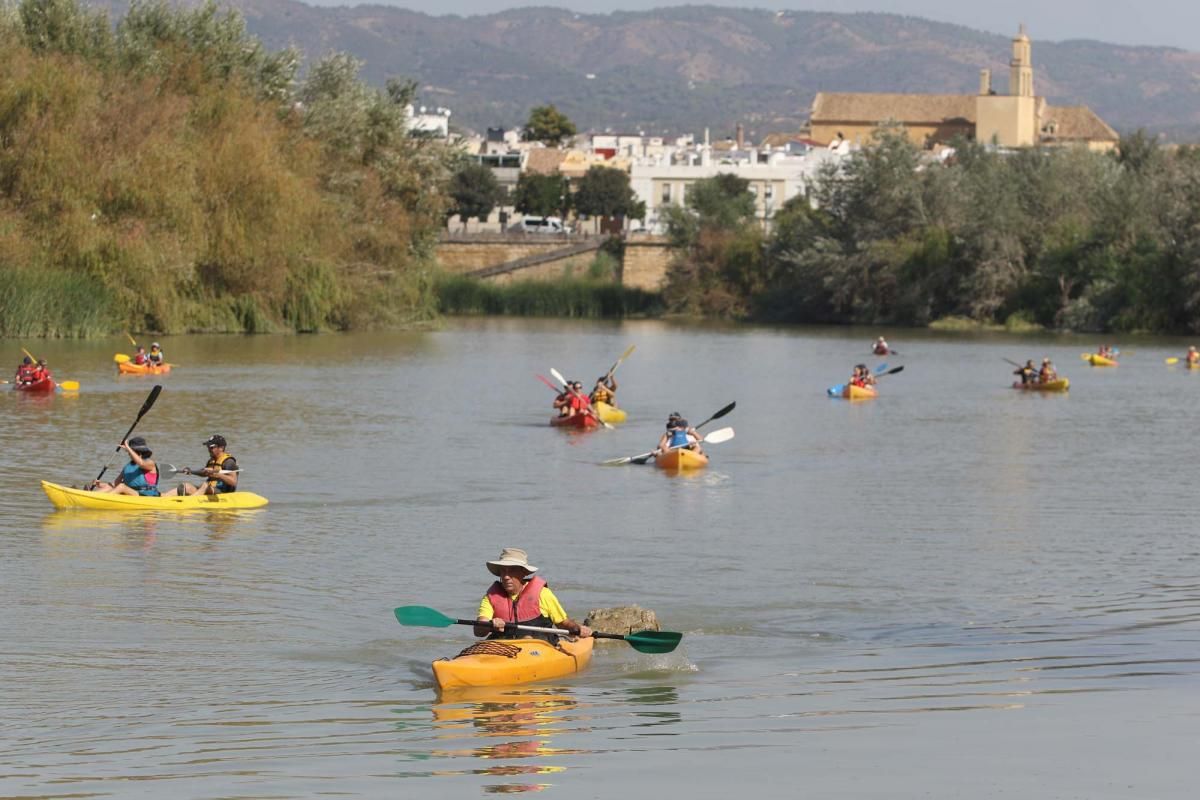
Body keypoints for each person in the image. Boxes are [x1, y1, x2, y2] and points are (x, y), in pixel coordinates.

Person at [474, 548, 592, 644]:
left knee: (527, 639)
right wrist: (490, 625)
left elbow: (563, 624)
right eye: (503, 571)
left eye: (512, 571)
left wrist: (577, 629)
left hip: (539, 647)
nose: (506, 576)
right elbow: (478, 631)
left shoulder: (543, 594)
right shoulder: (491, 597)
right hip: (504, 648)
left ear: (523, 573)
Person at [164, 434, 238, 496]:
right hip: (210, 490)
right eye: (208, 447)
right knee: (185, 487)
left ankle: (190, 502)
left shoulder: (229, 462)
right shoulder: (211, 460)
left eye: (212, 447)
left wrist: (217, 474)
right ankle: (162, 497)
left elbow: (233, 481)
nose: (209, 449)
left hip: (223, 493)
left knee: (205, 485)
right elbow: (204, 473)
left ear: (221, 448)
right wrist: (191, 471)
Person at [87, 437, 159, 496]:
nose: (129, 454)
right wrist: (99, 484)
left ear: (139, 452)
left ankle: (101, 501)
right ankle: (90, 496)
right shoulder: (128, 467)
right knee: (109, 487)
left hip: (145, 495)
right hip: (130, 493)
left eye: (131, 451)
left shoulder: (150, 463)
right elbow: (116, 484)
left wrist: (127, 447)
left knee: (122, 487)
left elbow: (141, 463)